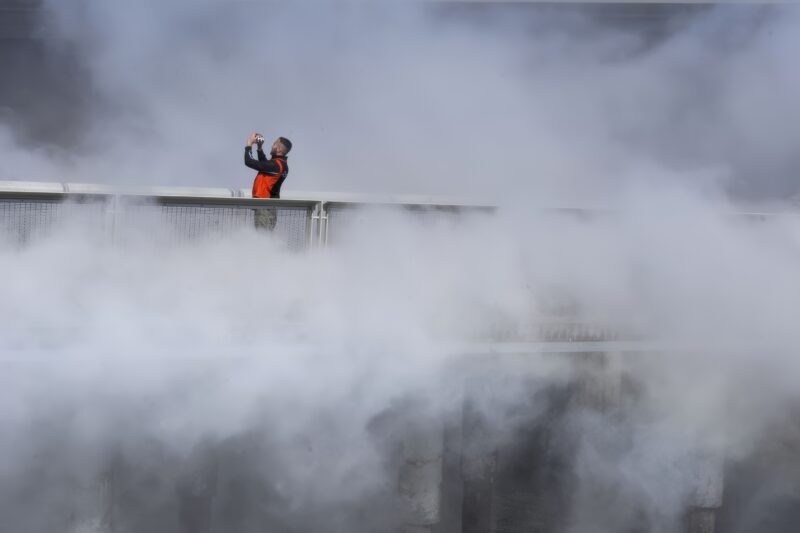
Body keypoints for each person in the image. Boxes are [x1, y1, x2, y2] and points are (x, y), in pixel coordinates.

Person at [244, 133, 292, 231]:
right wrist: (259, 148)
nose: (271, 145)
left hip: (265, 208)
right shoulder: (281, 164)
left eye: (274, 144)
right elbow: (266, 164)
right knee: (265, 237)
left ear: (278, 149)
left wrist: (249, 144)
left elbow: (249, 162)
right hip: (269, 207)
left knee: (261, 237)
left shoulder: (276, 166)